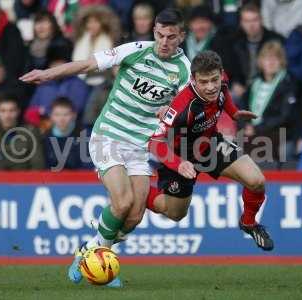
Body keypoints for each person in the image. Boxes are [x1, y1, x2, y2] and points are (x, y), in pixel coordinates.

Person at [20, 8, 191, 287]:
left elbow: (185, 110)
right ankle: (95, 257)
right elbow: (87, 65)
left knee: (135, 215)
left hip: (140, 146)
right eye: (160, 35)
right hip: (108, 134)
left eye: (171, 37)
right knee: (122, 203)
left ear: (181, 36)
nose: (164, 42)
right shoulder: (136, 50)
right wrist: (48, 73)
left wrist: (172, 113)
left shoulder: (184, 72)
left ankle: (90, 249)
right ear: (154, 33)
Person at [147, 50, 274, 251]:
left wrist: (234, 112)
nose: (210, 87)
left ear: (221, 73)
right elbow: (154, 142)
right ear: (193, 79)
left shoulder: (221, 81)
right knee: (175, 213)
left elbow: (223, 93)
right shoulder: (181, 107)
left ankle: (249, 223)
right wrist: (178, 164)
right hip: (181, 157)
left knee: (257, 181)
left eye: (214, 80)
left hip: (211, 145)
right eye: (204, 82)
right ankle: (139, 191)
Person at [240, 41, 298, 168]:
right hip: (252, 130)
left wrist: (258, 128)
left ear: (281, 61)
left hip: (278, 132)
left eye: (275, 58)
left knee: (260, 145)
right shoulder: (254, 83)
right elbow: (241, 108)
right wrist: (246, 124)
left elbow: (285, 116)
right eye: (267, 58)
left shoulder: (289, 83)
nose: (271, 62)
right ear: (261, 61)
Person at [24, 45, 91, 131]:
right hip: (44, 129)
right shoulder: (43, 85)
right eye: (54, 64)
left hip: (72, 129)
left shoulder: (78, 84)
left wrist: (46, 111)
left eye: (61, 64)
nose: (57, 67)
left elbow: (78, 108)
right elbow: (32, 108)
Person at [228, 2, 284, 101]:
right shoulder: (234, 42)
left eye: (255, 20)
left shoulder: (274, 40)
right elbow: (229, 70)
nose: (251, 25)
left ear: (261, 20)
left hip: (268, 86)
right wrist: (235, 83)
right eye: (247, 21)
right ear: (241, 23)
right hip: (243, 89)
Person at [0, 93, 45, 170]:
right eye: (3, 111)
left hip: (24, 180)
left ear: (18, 111)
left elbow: (38, 164)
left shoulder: (31, 132)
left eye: (12, 111)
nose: (7, 115)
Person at [44, 97, 93, 170]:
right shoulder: (45, 137)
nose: (61, 119)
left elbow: (88, 166)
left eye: (66, 114)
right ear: (51, 116)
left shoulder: (86, 135)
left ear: (74, 115)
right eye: (57, 115)